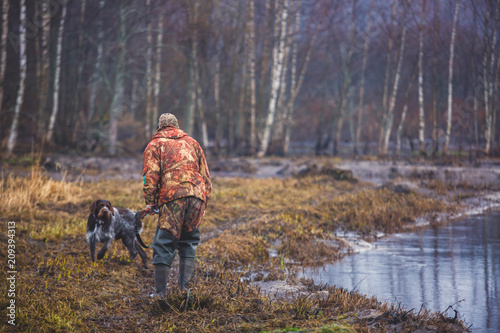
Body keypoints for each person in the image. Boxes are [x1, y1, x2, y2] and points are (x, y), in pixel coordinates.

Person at [143, 113, 212, 296]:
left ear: (160, 127)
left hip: (172, 197)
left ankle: (160, 294)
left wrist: (150, 202)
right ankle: (184, 291)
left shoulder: (154, 145)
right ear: (176, 126)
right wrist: (204, 201)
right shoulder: (193, 143)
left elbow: (151, 176)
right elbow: (205, 176)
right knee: (189, 242)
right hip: (197, 196)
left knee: (164, 242)